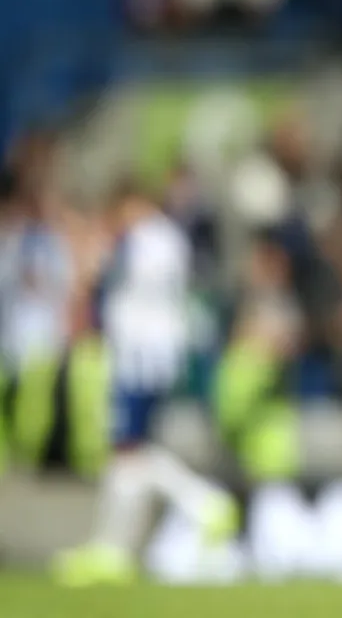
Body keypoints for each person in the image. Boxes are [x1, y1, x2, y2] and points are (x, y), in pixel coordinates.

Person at [52, 182, 238, 586]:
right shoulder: (168, 237)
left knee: (128, 450)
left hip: (139, 355)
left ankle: (202, 505)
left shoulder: (141, 238)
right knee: (130, 454)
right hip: (159, 352)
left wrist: (86, 246)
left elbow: (99, 276)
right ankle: (114, 548)